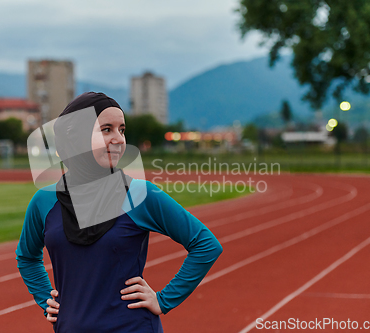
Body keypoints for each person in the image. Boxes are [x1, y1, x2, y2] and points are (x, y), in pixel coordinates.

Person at [16, 92, 223, 333]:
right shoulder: (44, 201)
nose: (118, 139)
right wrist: (46, 300)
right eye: (106, 130)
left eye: (122, 130)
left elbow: (206, 244)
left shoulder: (140, 194)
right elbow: (27, 257)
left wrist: (163, 300)